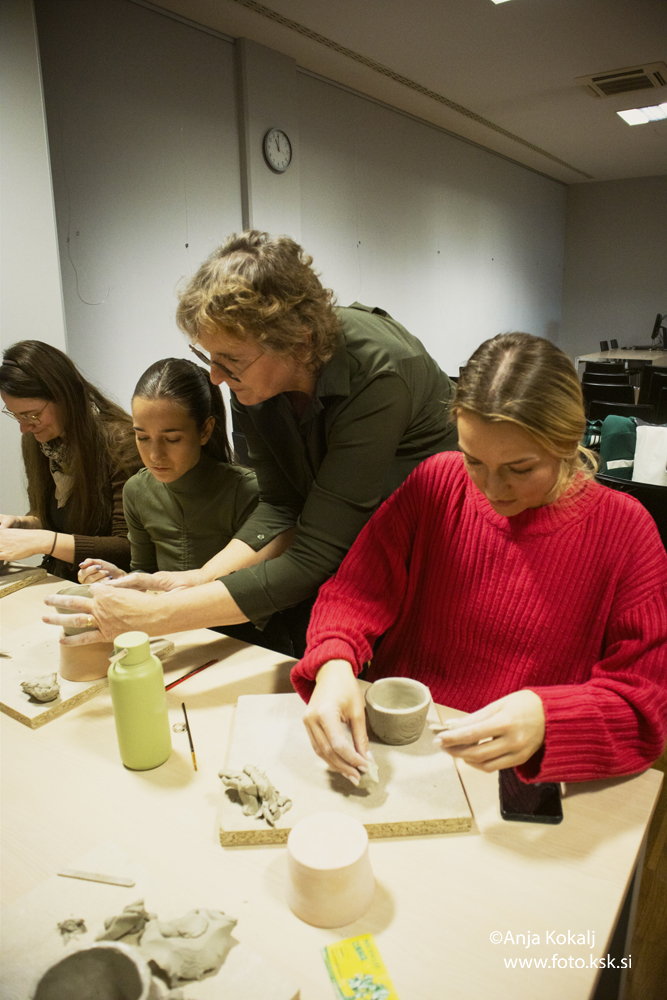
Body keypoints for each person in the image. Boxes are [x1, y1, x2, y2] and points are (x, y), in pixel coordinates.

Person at [43, 231, 458, 654]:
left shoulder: (378, 374)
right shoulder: (254, 382)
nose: (215, 377)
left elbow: (316, 553)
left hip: (435, 536)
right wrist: (199, 577)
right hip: (354, 536)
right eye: (209, 357)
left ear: (299, 343)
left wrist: (157, 615)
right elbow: (280, 506)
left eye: (230, 361)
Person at [291, 332, 667, 786]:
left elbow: (642, 708)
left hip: (519, 775)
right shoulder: (437, 483)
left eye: (520, 469)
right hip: (402, 755)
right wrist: (333, 663)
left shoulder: (626, 532)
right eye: (474, 460)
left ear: (568, 441)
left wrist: (548, 718)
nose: (492, 489)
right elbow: (355, 591)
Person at [78, 357, 290, 651]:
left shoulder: (246, 492)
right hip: (171, 631)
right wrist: (124, 581)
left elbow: (259, 596)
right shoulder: (137, 490)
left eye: (172, 439)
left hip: (242, 638)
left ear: (205, 430)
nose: (155, 455)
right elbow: (145, 570)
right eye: (142, 437)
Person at [0, 341, 141, 581]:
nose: (24, 427)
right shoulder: (41, 441)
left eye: (32, 414)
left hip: (111, 585)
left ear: (64, 396)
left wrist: (43, 541)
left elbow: (128, 548)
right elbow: (57, 518)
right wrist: (22, 524)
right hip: (61, 578)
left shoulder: (120, 443)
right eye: (15, 415)